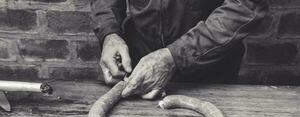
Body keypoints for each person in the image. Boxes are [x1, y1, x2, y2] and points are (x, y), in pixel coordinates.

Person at [90, 0, 268, 99]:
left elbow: (245, 7)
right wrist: (110, 33)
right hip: (136, 66)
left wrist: (174, 57)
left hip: (208, 73)